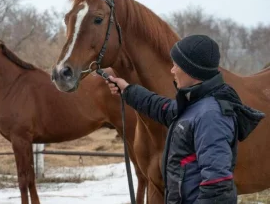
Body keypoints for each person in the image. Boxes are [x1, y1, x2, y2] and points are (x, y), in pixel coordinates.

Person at [107, 35, 265, 204]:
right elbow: (162, 108)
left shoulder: (211, 116)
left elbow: (217, 187)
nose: (172, 70)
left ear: (192, 70)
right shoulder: (195, 105)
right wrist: (128, 90)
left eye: (176, 65)